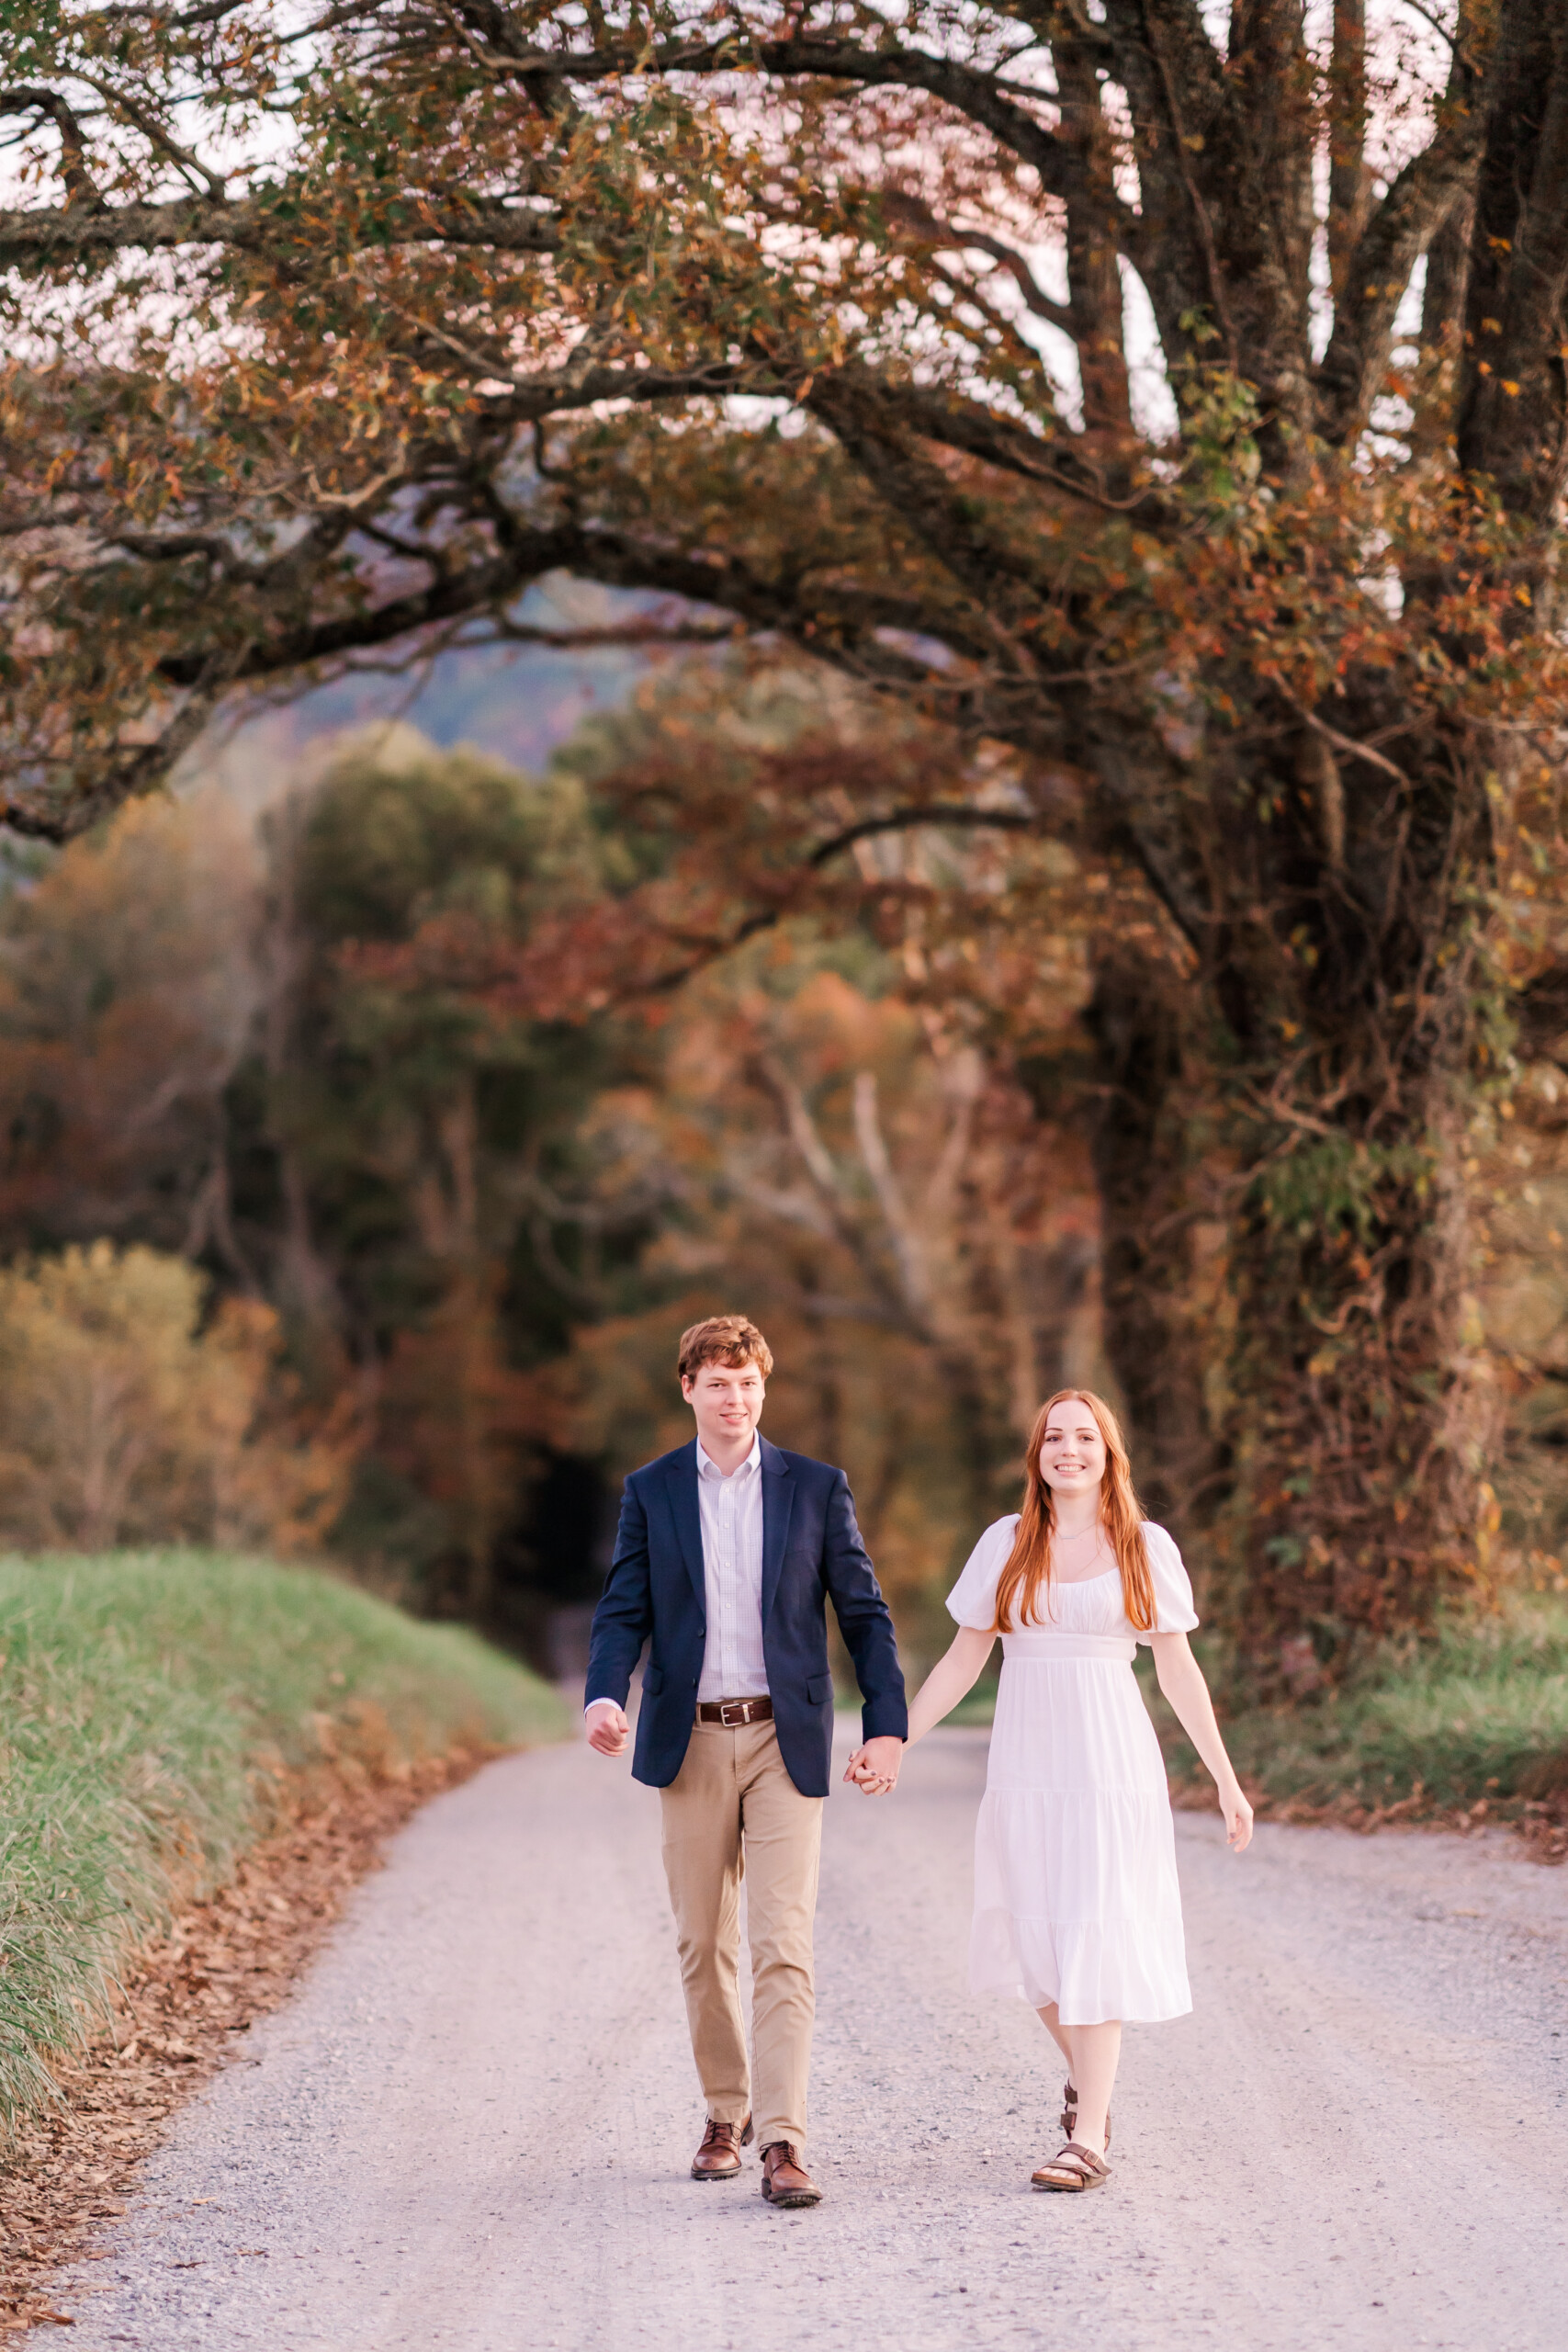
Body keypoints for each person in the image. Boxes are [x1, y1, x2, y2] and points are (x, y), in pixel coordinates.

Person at [847, 1386, 1252, 2193]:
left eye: (1085, 1437)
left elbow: (1176, 1667)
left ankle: (1088, 2136)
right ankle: (1090, 2085)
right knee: (1036, 1948)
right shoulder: (1006, 1542)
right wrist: (894, 1741)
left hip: (1110, 1763)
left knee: (1094, 1931)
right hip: (1027, 1761)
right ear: (1036, 1455)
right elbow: (964, 1659)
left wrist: (1224, 1780)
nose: (1068, 1450)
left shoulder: (1143, 1543)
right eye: (1053, 1438)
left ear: (1108, 1454)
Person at [584, 1314, 907, 2210]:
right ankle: (725, 2113)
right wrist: (605, 1694)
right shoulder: (651, 1491)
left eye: (750, 1382)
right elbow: (622, 1610)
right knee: (702, 1941)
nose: (736, 1398)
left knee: (783, 1944)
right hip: (687, 1738)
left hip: (782, 1739)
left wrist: (888, 1725)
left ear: (765, 1389)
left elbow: (865, 1614)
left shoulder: (814, 1487)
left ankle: (785, 2138)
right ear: (688, 1388)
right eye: (719, 1382)